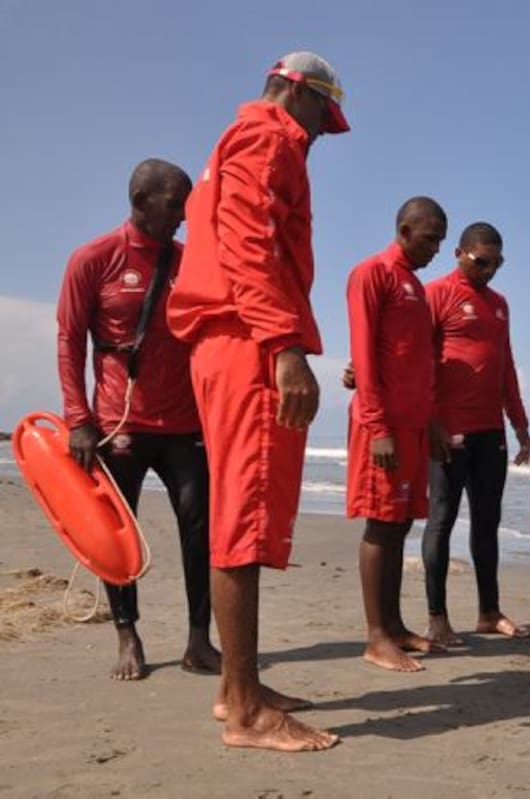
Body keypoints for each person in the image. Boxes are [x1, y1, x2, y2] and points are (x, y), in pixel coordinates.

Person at [166, 51, 349, 752]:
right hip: (247, 341)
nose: (321, 135)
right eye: (324, 119)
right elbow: (248, 243)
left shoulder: (235, 139)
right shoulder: (270, 136)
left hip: (231, 338)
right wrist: (283, 346)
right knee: (242, 520)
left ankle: (235, 688)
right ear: (299, 94)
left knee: (236, 512)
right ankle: (247, 712)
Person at [56, 159, 220, 681]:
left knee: (200, 528)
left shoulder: (190, 261)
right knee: (115, 535)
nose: (183, 216)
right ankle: (128, 634)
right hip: (117, 423)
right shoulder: (93, 259)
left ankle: (199, 640)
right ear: (140, 200)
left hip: (185, 425)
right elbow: (69, 341)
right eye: (175, 205)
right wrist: (78, 419)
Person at [346, 197, 448, 673]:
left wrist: (431, 421)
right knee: (381, 525)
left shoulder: (415, 286)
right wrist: (377, 426)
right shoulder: (373, 273)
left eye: (441, 240)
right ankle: (376, 637)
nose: (436, 249)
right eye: (430, 239)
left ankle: (395, 625)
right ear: (405, 230)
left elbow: (417, 361)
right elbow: (364, 353)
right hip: (382, 425)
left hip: (413, 425)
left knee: (402, 523)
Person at [421, 222, 530, 646]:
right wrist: (431, 421)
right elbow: (420, 360)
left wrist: (519, 423)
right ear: (459, 254)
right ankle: (437, 618)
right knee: (442, 519)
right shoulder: (437, 294)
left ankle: (489, 612)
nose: (489, 270)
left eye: (497, 263)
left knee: (488, 522)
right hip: (449, 432)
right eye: (482, 262)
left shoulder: (499, 304)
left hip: (491, 431)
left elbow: (505, 364)